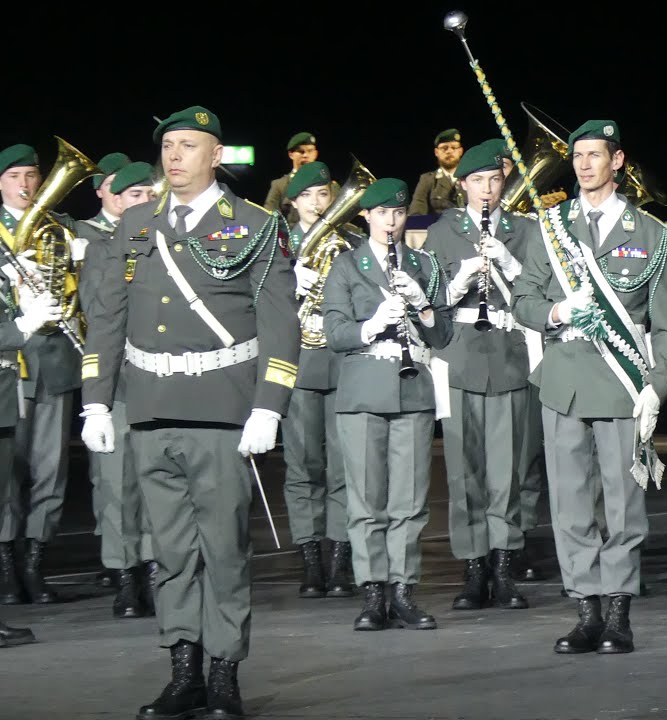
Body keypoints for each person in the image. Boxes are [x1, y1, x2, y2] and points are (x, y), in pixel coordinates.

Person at [79, 105, 301, 717]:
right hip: (150, 409)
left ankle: (225, 673)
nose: (174, 156)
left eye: (188, 145)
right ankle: (185, 671)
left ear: (216, 155)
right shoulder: (135, 224)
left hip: (223, 412)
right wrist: (96, 401)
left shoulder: (255, 225)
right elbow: (107, 319)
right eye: (168, 146)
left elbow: (280, 322)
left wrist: (269, 405)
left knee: (224, 550)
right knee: (171, 551)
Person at [512, 119, 667, 654]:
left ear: (618, 161)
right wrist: (559, 309)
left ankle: (618, 613)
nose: (585, 164)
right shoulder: (551, 227)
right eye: (578, 155)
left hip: (621, 383)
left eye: (595, 155)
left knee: (624, 505)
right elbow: (523, 299)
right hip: (563, 381)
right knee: (569, 503)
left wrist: (657, 386)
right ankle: (585, 610)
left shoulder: (652, 234)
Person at [322, 177, 453, 632]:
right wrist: (372, 324)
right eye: (382, 214)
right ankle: (372, 593)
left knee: (410, 501)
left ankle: (403, 592)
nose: (391, 222)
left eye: (397, 214)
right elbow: (334, 333)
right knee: (365, 500)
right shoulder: (345, 266)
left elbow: (444, 335)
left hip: (412, 387)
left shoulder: (422, 263)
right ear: (367, 216)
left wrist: (424, 306)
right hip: (362, 391)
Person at [427, 139, 540, 611]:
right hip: (459, 356)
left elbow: (539, 291)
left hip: (509, 354)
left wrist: (511, 265)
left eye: (495, 180)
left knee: (507, 469)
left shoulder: (524, 231)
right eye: (478, 181)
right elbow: (427, 300)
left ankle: (504, 566)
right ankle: (472, 567)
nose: (488, 189)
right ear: (462, 184)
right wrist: (458, 282)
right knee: (464, 469)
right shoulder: (442, 230)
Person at [77, 161, 162, 618]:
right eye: (134, 197)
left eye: (150, 195)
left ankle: (154, 569)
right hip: (121, 383)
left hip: (162, 382)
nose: (145, 203)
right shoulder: (104, 251)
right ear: (118, 203)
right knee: (117, 486)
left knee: (156, 484)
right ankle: (125, 576)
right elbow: (98, 313)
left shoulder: (169, 245)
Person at [0, 142, 83, 604]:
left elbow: (76, 287)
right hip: (9, 366)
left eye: (33, 175)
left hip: (52, 361)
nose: (27, 185)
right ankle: (7, 565)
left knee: (50, 471)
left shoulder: (59, 228)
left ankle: (36, 561)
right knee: (7, 473)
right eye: (16, 177)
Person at [284, 160, 362, 599]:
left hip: (340, 359)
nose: (317, 203)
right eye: (307, 196)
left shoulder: (348, 242)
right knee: (302, 467)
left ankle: (339, 560)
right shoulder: (279, 244)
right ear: (293, 202)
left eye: (322, 195)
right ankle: (310, 559)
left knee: (342, 467)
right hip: (297, 362)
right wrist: (287, 279)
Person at [74, 150, 131, 589]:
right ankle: (121, 565)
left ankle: (145, 565)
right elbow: (97, 311)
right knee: (112, 477)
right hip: (110, 366)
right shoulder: (90, 239)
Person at [264, 131, 337, 226]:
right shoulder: (279, 185)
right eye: (301, 151)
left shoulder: (330, 186)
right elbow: (269, 216)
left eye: (310, 151)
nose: (306, 155)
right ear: (291, 154)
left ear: (315, 154)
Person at [409, 128, 466, 217]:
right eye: (444, 148)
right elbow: (416, 211)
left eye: (454, 147)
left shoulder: (471, 178)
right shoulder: (427, 180)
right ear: (436, 152)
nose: (449, 151)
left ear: (460, 151)